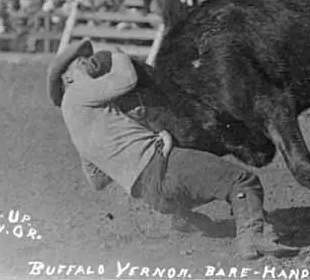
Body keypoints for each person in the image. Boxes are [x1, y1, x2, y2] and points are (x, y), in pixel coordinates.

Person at [47, 41, 290, 259]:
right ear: (68, 79)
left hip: (152, 195)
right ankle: (251, 238)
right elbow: (127, 80)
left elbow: (97, 181)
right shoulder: (77, 93)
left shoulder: (77, 125)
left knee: (205, 184)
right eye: (82, 64)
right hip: (164, 168)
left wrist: (140, 140)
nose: (90, 66)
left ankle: (187, 221)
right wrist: (118, 53)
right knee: (242, 181)